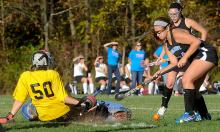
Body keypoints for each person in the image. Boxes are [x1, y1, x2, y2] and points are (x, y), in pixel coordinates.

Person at [152, 17, 218, 123]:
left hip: (206, 53)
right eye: (155, 34)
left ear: (167, 27)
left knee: (186, 80)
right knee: (194, 91)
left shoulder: (176, 33)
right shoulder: (166, 45)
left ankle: (189, 114)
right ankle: (205, 116)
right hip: (199, 58)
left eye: (159, 32)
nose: (157, 35)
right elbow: (174, 63)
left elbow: (196, 42)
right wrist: (160, 72)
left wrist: (185, 57)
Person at [0, 51, 95, 124]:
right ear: (46, 62)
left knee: (26, 108)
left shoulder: (25, 76)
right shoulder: (53, 74)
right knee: (85, 101)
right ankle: (91, 112)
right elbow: (63, 98)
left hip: (44, 117)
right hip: (62, 114)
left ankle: (36, 116)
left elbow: (19, 100)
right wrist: (81, 103)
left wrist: (10, 116)